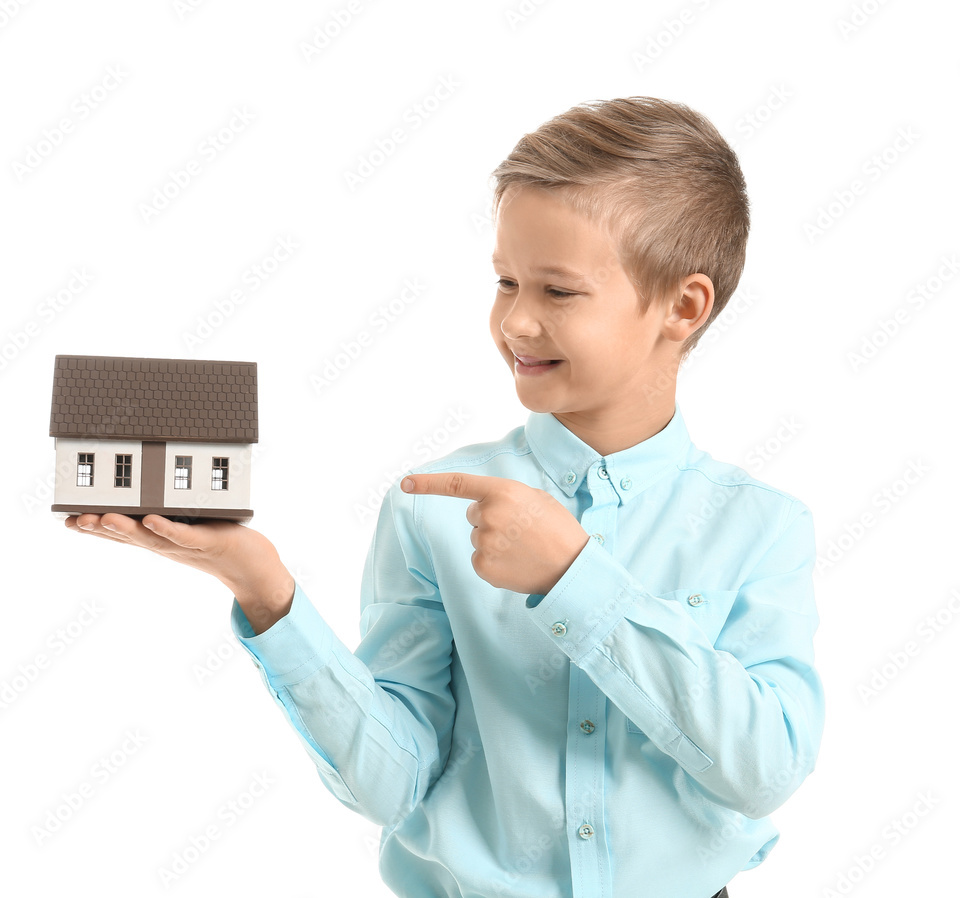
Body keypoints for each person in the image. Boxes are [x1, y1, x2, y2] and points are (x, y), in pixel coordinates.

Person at [67, 96, 823, 898]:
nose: (517, 321)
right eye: (505, 281)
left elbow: (764, 769)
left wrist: (576, 580)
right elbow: (390, 786)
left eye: (558, 291)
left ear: (683, 306)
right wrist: (265, 591)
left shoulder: (762, 527)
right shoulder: (433, 508)